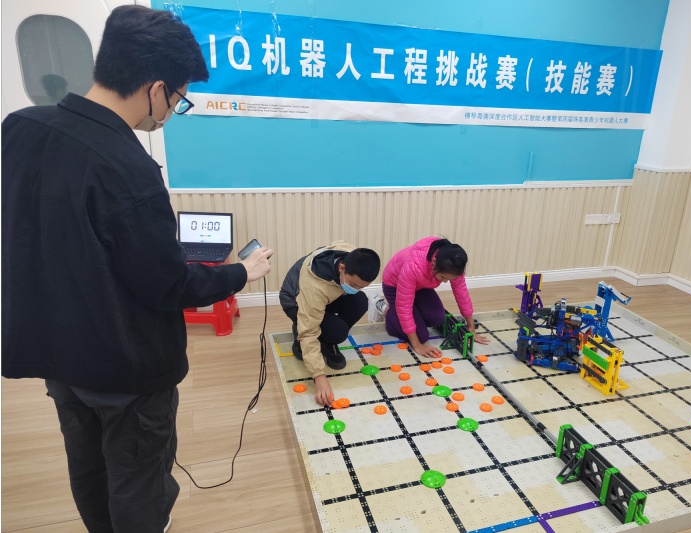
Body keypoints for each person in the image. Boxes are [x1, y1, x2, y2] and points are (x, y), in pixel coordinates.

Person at [1, 6, 273, 533]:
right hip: (125, 367)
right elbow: (169, 284)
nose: (172, 111)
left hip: (56, 353)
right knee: (138, 481)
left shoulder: (20, 129)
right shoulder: (128, 167)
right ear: (156, 89)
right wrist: (242, 272)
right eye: (178, 99)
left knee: (87, 466)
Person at [280, 242, 380, 406]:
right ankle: (300, 333)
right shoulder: (315, 288)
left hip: (326, 296)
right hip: (295, 302)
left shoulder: (348, 253)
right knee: (337, 332)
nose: (356, 289)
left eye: (361, 286)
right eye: (353, 285)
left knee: (360, 300)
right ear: (342, 267)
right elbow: (309, 332)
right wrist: (319, 377)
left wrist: (354, 288)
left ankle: (326, 341)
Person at [376, 237, 490, 357]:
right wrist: (417, 345)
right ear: (434, 262)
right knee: (421, 336)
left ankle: (413, 315)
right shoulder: (413, 267)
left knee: (438, 318)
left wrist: (471, 327)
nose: (445, 282)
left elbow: (462, 294)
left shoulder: (454, 266)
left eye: (449, 279)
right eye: (443, 277)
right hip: (394, 286)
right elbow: (404, 306)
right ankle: (384, 307)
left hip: (420, 286)